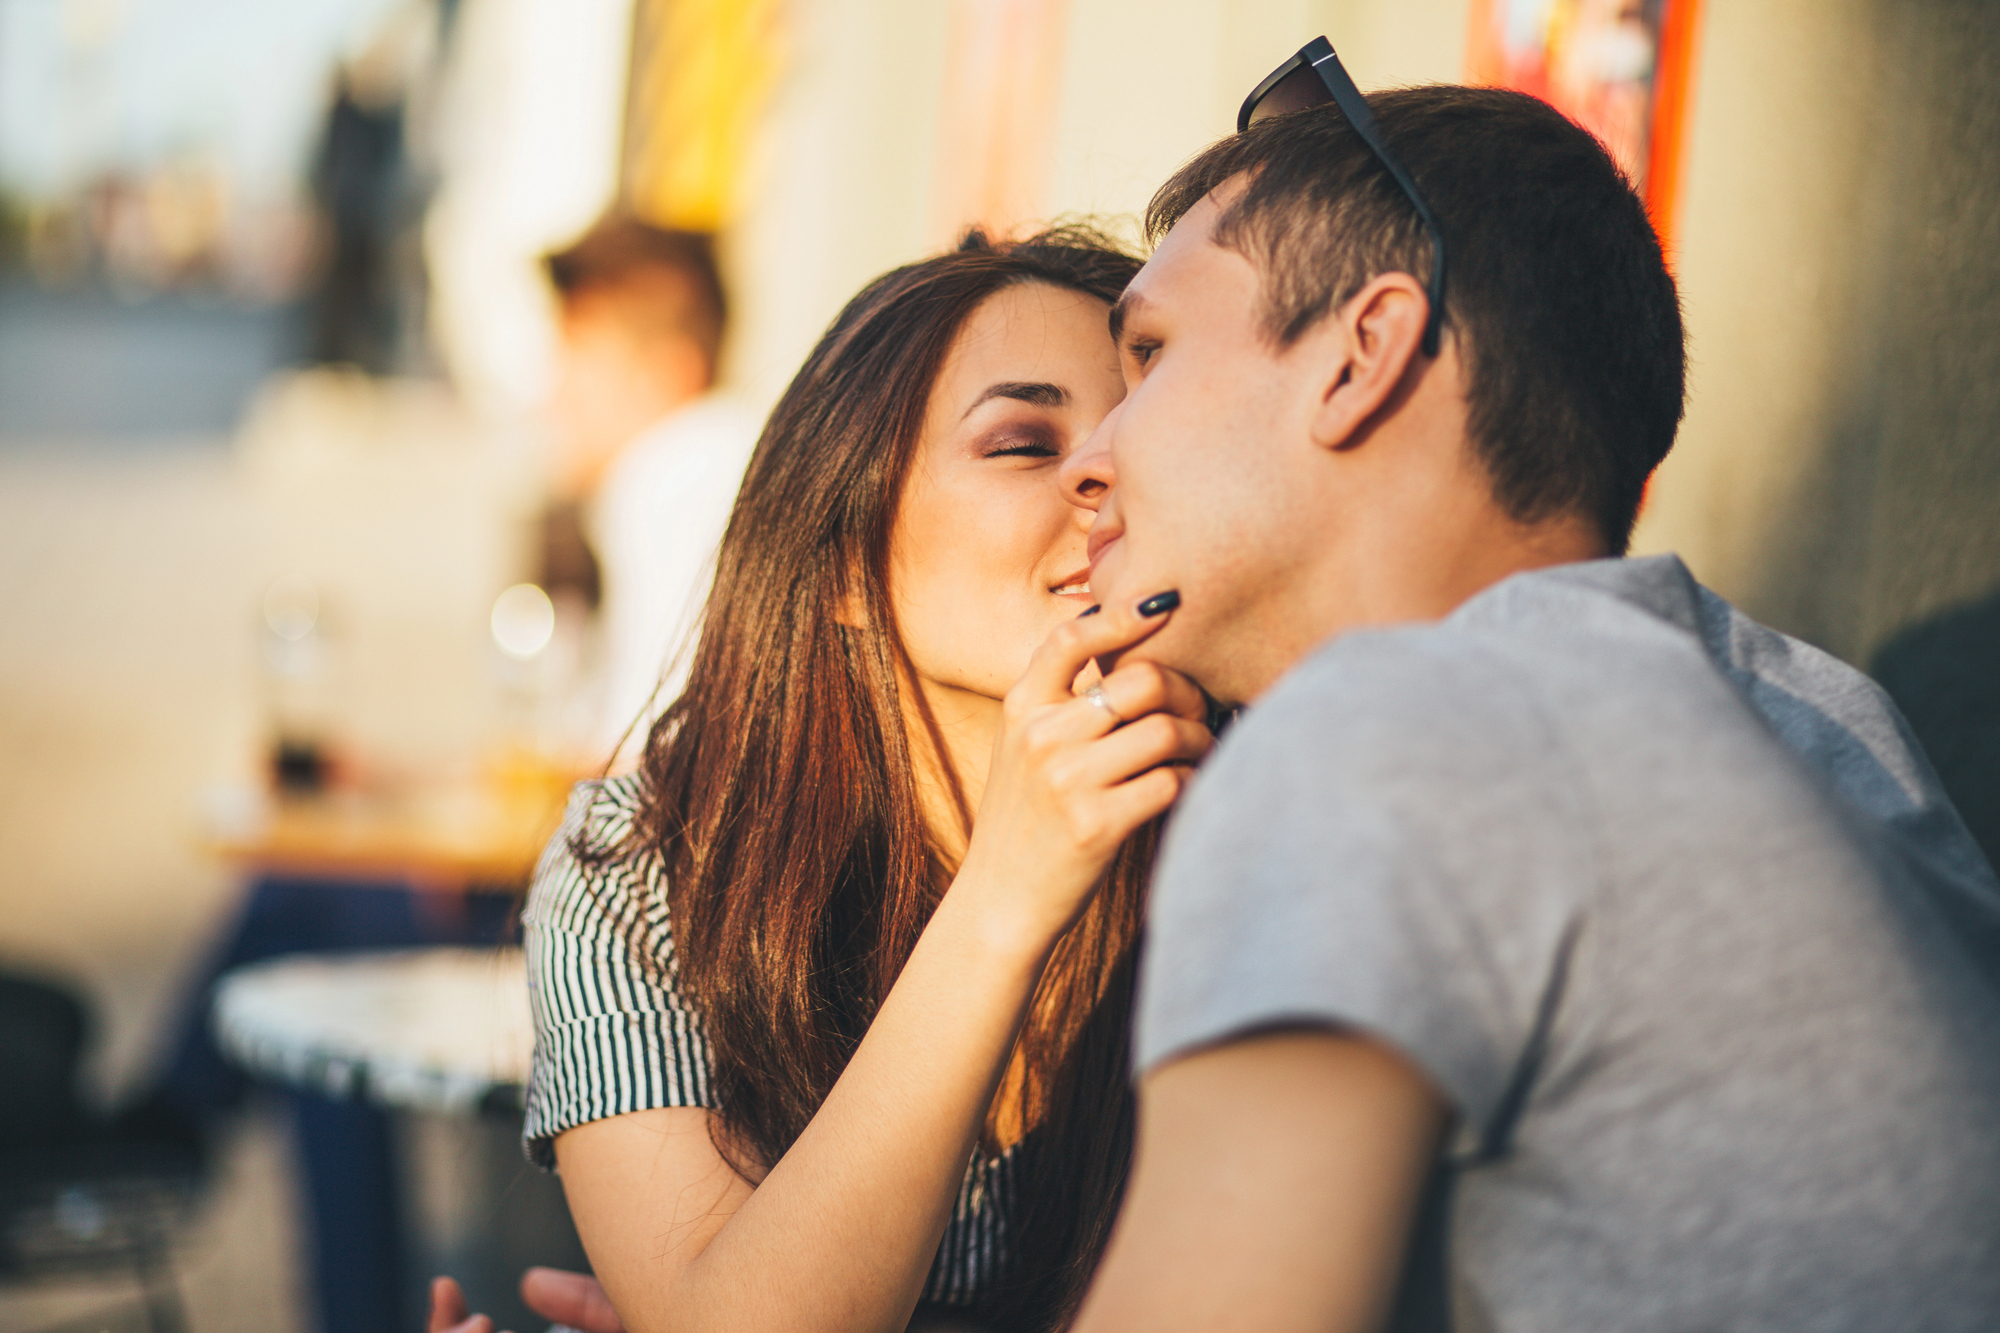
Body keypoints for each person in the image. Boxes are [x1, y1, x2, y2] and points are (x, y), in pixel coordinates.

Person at [1053, 72, 2000, 1333]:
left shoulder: (1385, 730)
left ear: (1361, 356)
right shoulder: (1820, 717)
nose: (1086, 460)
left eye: (1149, 354)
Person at [433, 228, 1212, 1333]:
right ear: (844, 561)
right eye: (1021, 440)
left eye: (1141, 426)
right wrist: (1007, 892)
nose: (1104, 473)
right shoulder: (650, 871)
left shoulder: (1250, 816)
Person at [540, 217, 760, 762]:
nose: (552, 393)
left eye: (578, 358)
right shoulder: (725, 459)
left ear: (668, 373)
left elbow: (649, 756)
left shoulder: (680, 473)